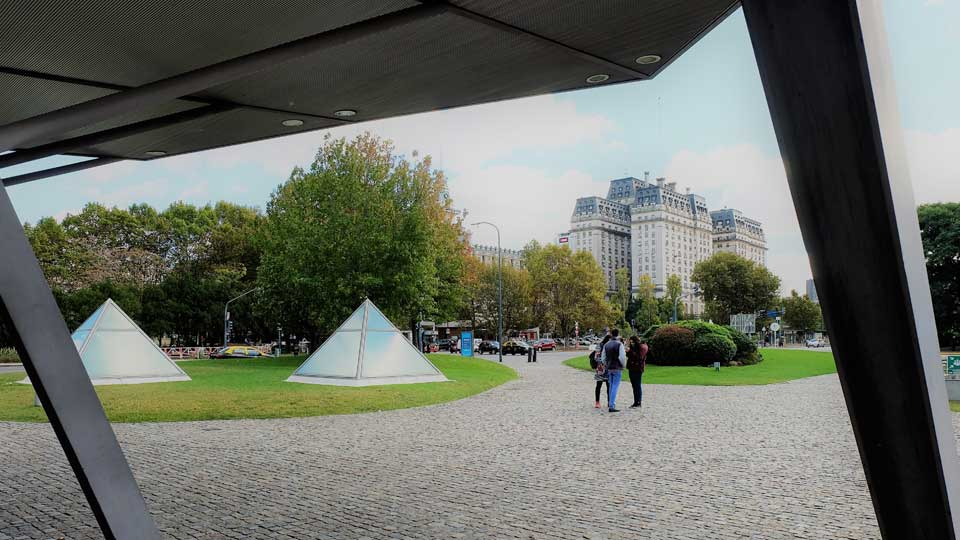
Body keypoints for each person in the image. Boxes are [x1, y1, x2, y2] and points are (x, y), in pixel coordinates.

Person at [603, 329, 626, 412]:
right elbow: (622, 357)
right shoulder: (619, 344)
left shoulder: (606, 344)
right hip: (617, 367)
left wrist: (606, 364)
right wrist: (623, 365)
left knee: (611, 385)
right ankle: (612, 405)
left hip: (609, 367)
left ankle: (611, 403)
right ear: (618, 334)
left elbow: (603, 357)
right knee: (615, 386)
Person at [626, 335, 648, 408]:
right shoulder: (636, 347)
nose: (631, 343)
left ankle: (638, 402)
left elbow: (638, 357)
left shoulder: (642, 347)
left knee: (637, 385)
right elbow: (631, 356)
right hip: (632, 367)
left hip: (637, 368)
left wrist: (630, 351)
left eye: (632, 342)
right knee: (634, 385)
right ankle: (636, 401)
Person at [590, 336, 611, 408]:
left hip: (608, 369)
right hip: (600, 368)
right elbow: (596, 356)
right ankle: (597, 402)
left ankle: (609, 401)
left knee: (609, 386)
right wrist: (603, 362)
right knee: (599, 385)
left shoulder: (610, 346)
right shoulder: (600, 345)